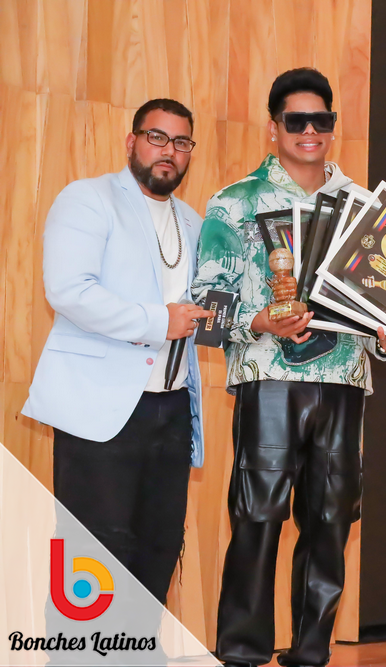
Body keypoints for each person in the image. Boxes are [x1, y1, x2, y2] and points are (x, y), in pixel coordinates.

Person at [192, 68, 386, 667]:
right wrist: (261, 321)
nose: (310, 131)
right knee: (257, 516)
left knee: (331, 522)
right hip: (269, 378)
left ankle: (311, 654)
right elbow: (207, 305)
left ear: (333, 126)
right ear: (274, 127)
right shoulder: (235, 203)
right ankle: (241, 653)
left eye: (321, 120)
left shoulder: (367, 210)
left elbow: (381, 315)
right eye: (297, 120)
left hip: (344, 380)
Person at [23, 98, 211, 604]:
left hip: (172, 408)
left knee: (159, 548)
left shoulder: (193, 223)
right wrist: (159, 321)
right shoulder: (88, 199)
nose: (168, 151)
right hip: (100, 408)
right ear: (132, 142)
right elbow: (69, 290)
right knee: (91, 554)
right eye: (156, 137)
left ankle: (139, 646)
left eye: (181, 142)